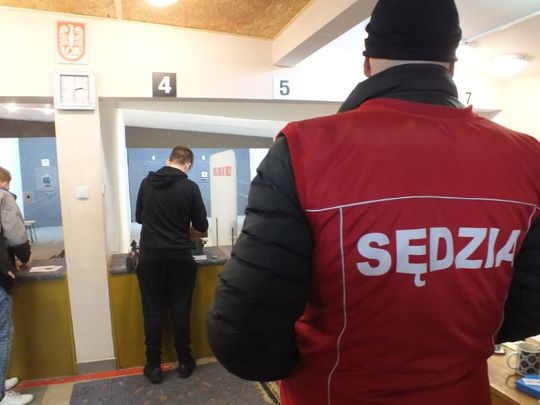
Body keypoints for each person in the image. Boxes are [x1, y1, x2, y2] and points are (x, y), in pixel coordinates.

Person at [207, 0, 540, 403]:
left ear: (366, 63)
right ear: (451, 65)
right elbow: (529, 307)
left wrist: (313, 360)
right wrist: (458, 341)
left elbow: (243, 336)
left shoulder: (305, 150)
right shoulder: (527, 158)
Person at [136, 146, 208, 384]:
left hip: (150, 257)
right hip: (179, 256)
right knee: (180, 309)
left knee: (152, 311)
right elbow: (201, 224)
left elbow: (139, 217)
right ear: (188, 164)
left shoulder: (146, 184)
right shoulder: (190, 187)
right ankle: (185, 361)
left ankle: (153, 365)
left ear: (169, 159)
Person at [0, 167, 33, 405]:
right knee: (3, 334)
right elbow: (16, 234)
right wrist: (24, 257)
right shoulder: (3, 196)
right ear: (3, 182)